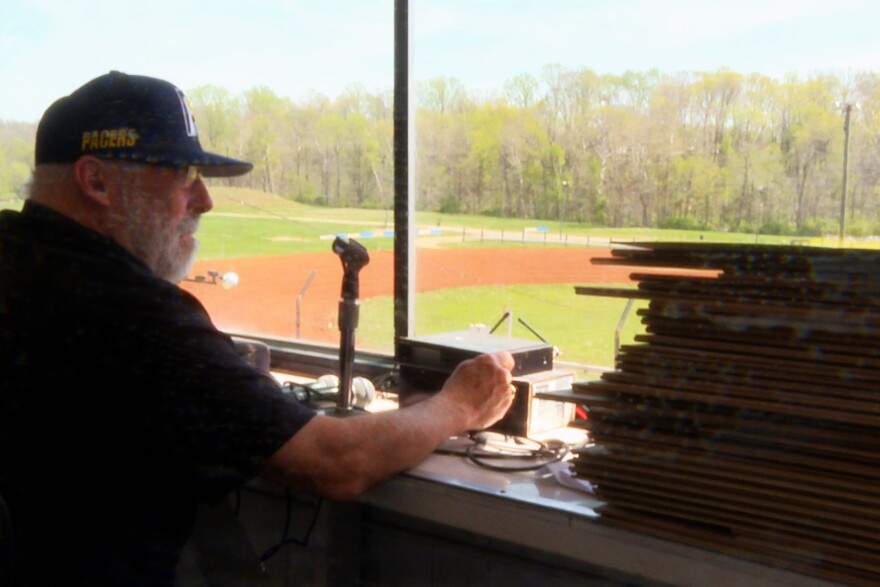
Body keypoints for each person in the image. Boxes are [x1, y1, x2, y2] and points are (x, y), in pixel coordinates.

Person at [0, 71, 516, 587]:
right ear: (96, 182)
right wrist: (458, 405)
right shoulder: (134, 315)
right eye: (182, 174)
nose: (204, 200)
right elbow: (337, 461)